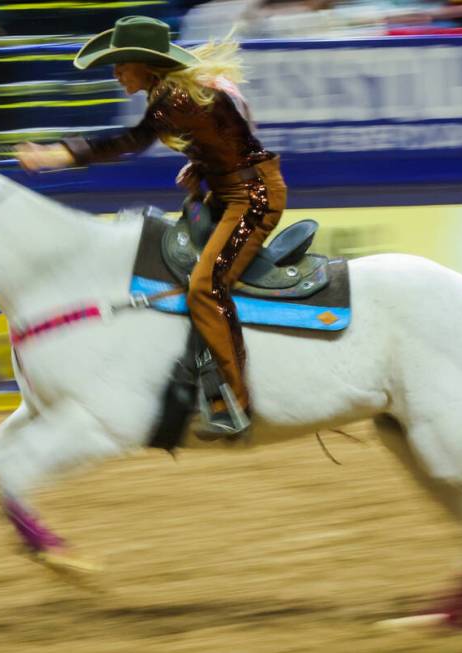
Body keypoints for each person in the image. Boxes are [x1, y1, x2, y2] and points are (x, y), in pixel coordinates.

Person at [15, 15, 285, 439]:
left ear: (145, 62)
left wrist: (59, 156)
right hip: (232, 193)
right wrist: (202, 164)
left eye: (122, 63)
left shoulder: (173, 99)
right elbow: (232, 132)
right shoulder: (180, 92)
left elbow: (130, 142)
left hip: (251, 200)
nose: (116, 71)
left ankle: (235, 399)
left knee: (203, 286)